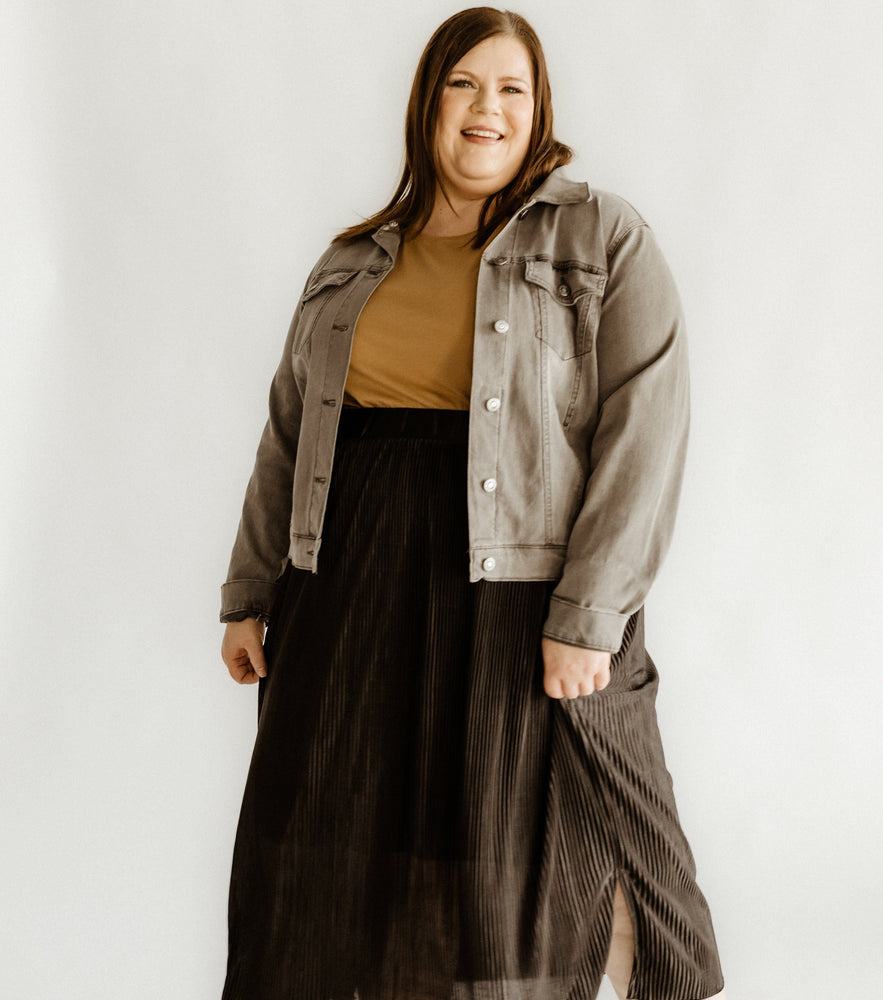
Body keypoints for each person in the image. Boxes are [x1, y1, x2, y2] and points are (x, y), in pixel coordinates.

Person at [218, 8, 725, 1000]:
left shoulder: (600, 237)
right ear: (427, 105)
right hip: (346, 590)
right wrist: (249, 591)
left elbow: (644, 433)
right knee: (328, 848)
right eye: (463, 85)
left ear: (538, 113)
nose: (485, 109)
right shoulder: (352, 260)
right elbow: (289, 430)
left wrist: (588, 615)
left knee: (517, 853)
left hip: (514, 595)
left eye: (511, 89)